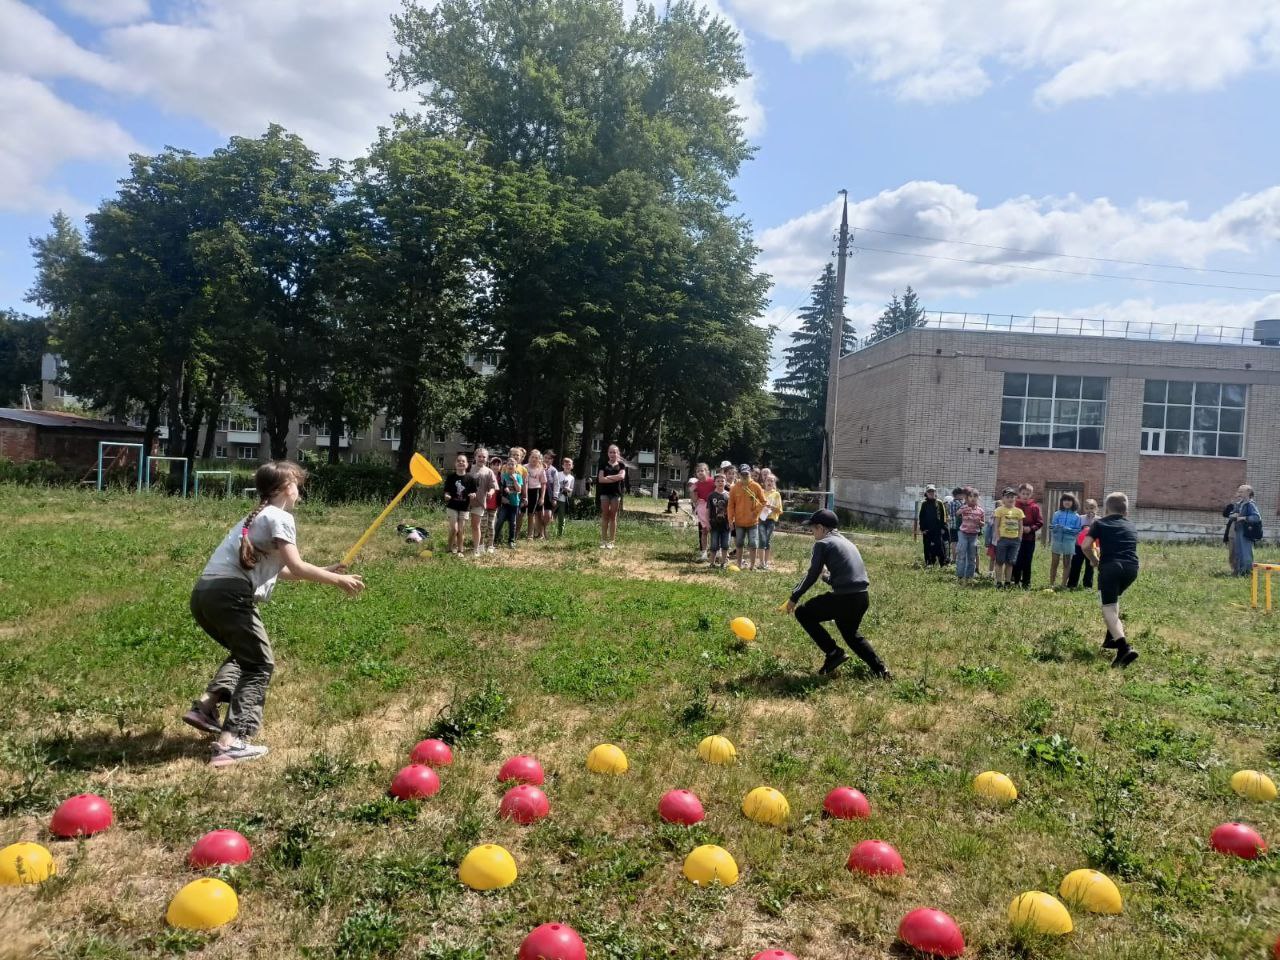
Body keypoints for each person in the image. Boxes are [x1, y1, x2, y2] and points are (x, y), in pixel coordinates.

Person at [185, 461, 364, 766]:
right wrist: (338, 580)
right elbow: (296, 566)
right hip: (230, 595)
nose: (299, 490)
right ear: (284, 488)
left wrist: (324, 570)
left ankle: (205, 706)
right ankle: (232, 741)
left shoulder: (256, 517)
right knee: (259, 664)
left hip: (205, 596)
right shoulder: (280, 516)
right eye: (297, 484)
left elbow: (281, 572)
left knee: (246, 654)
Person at [783, 509, 890, 679]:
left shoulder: (822, 543)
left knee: (803, 613)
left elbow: (811, 575)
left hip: (844, 598)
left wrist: (794, 597)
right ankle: (881, 670)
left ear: (821, 528)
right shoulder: (847, 542)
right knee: (851, 634)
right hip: (862, 597)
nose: (812, 533)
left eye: (812, 529)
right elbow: (847, 575)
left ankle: (834, 653)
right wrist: (826, 576)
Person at [1082, 492, 1140, 668]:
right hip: (1131, 569)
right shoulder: (1131, 525)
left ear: (1106, 509)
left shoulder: (1100, 523)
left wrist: (1095, 561)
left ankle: (1124, 648)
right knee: (1113, 601)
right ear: (1126, 511)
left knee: (1108, 608)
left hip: (1110, 568)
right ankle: (1111, 638)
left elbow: (1085, 545)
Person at [727, 464, 767, 570]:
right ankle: (739, 564)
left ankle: (752, 566)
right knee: (739, 544)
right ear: (739, 474)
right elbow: (730, 505)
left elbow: (763, 501)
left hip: (753, 522)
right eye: (742, 473)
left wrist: (756, 512)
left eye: (746, 473)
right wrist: (730, 520)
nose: (744, 475)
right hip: (739, 522)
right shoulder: (734, 488)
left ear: (750, 473)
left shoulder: (756, 486)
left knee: (753, 544)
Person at [1225, 484, 1263, 577]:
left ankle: (1247, 573)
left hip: (1246, 532)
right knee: (1238, 552)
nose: (1239, 493)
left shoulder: (1250, 504)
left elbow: (1256, 517)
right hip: (1238, 530)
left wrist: (1244, 518)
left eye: (1241, 491)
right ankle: (1239, 572)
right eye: (1239, 491)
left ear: (1248, 493)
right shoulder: (1239, 504)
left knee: (1245, 553)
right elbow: (1231, 514)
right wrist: (1232, 516)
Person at [443, 454, 477, 556]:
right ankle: (449, 549)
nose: (461, 462)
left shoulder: (471, 478)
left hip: (464, 508)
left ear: (467, 464)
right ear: (455, 464)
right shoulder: (451, 477)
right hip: (452, 506)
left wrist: (472, 495)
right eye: (459, 461)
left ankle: (460, 550)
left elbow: (474, 492)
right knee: (454, 529)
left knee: (461, 530)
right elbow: (446, 492)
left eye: (463, 461)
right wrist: (447, 496)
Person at [1048, 493, 1084, 588]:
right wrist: (1056, 527)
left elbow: (1077, 530)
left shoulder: (1076, 516)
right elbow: (1052, 527)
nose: (1067, 502)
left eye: (1069, 500)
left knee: (1067, 563)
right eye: (1065, 500)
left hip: (1069, 542)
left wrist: (1066, 529)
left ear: (1073, 502)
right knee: (1054, 562)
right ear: (1062, 502)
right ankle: (1051, 584)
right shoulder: (1057, 514)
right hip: (1057, 541)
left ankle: (1063, 585)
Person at [1012, 483, 1044, 589]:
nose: (1025, 496)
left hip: (1029, 539)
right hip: (1015, 537)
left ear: (1031, 494)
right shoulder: (1014, 505)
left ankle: (1026, 583)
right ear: (1019, 494)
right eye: (1023, 493)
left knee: (1027, 560)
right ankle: (1014, 581)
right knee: (1017, 559)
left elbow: (1039, 522)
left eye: (1028, 494)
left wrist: (1030, 528)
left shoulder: (1034, 507)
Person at [992, 487, 1024, 589]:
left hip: (1014, 540)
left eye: (1012, 497)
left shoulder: (1018, 511)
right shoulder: (999, 510)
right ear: (1003, 498)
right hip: (1003, 539)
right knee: (1000, 562)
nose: (1010, 499)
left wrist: (1019, 538)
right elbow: (996, 525)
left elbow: (1020, 526)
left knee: (1010, 562)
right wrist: (998, 537)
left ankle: (1007, 582)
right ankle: (998, 582)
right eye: (1008, 497)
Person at [597, 444, 627, 549]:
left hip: (616, 494)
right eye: (610, 452)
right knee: (605, 515)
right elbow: (600, 479)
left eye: (614, 452)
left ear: (617, 454)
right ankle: (603, 541)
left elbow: (622, 476)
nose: (612, 454)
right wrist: (615, 477)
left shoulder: (621, 465)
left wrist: (608, 477)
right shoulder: (603, 464)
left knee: (613, 516)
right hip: (604, 493)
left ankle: (611, 542)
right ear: (608, 453)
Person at [470, 448, 498, 558]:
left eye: (484, 457)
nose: (481, 458)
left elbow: (493, 487)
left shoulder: (489, 471)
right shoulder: (469, 469)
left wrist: (490, 492)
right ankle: (459, 547)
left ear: (487, 459)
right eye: (479, 456)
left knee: (476, 526)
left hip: (480, 502)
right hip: (465, 502)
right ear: (475, 457)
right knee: (461, 526)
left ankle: (477, 548)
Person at [913, 484, 948, 567]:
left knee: (939, 547)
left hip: (937, 529)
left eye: (933, 491)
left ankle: (942, 564)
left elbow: (944, 516)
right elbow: (921, 517)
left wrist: (943, 527)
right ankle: (929, 564)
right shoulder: (924, 504)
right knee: (927, 547)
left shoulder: (939, 502)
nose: (931, 493)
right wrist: (922, 529)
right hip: (927, 530)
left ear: (935, 492)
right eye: (929, 492)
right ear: (926, 493)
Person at [1067, 498, 1099, 589]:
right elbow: (1076, 530)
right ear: (1084, 509)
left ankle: (1088, 586)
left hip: (1091, 547)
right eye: (1087, 508)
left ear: (1096, 509)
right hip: (1079, 546)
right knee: (1076, 565)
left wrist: (1092, 521)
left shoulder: (1098, 520)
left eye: (1092, 508)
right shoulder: (1080, 518)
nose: (1089, 510)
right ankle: (1072, 584)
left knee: (1090, 566)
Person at [955, 487, 984, 581]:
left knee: (972, 556)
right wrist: (961, 511)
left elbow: (983, 523)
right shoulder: (964, 507)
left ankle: (969, 576)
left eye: (975, 496)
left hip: (974, 535)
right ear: (967, 498)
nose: (973, 498)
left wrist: (980, 523)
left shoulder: (980, 510)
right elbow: (957, 514)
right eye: (971, 496)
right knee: (962, 554)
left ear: (978, 498)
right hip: (963, 533)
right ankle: (960, 575)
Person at [495, 457, 523, 548]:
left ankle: (511, 540)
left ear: (516, 466)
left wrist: (514, 479)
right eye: (509, 464)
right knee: (500, 520)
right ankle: (495, 539)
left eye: (512, 464)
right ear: (506, 466)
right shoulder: (503, 476)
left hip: (514, 503)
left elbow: (519, 489)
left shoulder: (518, 476)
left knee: (513, 523)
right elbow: (500, 489)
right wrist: (503, 496)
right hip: (504, 504)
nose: (510, 466)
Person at [690, 462, 715, 561]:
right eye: (698, 471)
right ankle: (704, 552)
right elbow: (694, 500)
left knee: (714, 531)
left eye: (702, 470)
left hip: (713, 510)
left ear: (707, 472)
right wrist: (692, 491)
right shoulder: (695, 485)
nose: (700, 473)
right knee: (704, 532)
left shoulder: (713, 481)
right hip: (702, 511)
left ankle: (715, 551)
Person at [760, 473, 784, 571]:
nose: (769, 482)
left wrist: (772, 507)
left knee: (767, 540)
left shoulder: (776, 494)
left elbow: (780, 510)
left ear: (774, 483)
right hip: (761, 518)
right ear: (764, 482)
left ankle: (765, 562)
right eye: (768, 480)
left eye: (771, 481)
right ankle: (761, 562)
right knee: (761, 539)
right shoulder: (761, 492)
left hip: (771, 520)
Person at [706, 473, 731, 567]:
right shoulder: (711, 496)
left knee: (725, 545)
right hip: (714, 524)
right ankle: (711, 563)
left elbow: (731, 510)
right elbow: (708, 510)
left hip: (726, 525)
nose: (720, 483)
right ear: (714, 483)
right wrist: (708, 523)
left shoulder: (729, 495)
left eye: (722, 481)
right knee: (714, 545)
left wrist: (732, 521)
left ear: (725, 482)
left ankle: (723, 563)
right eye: (718, 481)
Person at [523, 450, 546, 540]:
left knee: (533, 513)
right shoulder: (524, 467)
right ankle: (523, 534)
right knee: (523, 513)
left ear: (539, 459)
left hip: (536, 491)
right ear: (529, 457)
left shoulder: (541, 469)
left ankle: (531, 535)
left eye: (536, 457)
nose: (534, 459)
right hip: (525, 490)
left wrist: (542, 497)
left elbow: (544, 484)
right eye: (532, 457)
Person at [555, 457, 575, 536]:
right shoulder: (558, 474)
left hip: (564, 500)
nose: (567, 466)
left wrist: (568, 489)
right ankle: (545, 533)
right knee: (551, 515)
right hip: (555, 498)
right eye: (565, 464)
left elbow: (571, 490)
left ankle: (560, 535)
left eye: (569, 464)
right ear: (563, 466)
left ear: (572, 466)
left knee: (561, 518)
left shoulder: (572, 478)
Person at [542, 451, 559, 538]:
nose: (547, 460)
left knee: (548, 515)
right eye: (546, 458)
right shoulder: (538, 467)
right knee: (538, 515)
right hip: (538, 493)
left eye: (549, 458)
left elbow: (556, 485)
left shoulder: (554, 470)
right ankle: (539, 533)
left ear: (552, 460)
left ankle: (545, 531)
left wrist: (555, 497)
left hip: (549, 495)